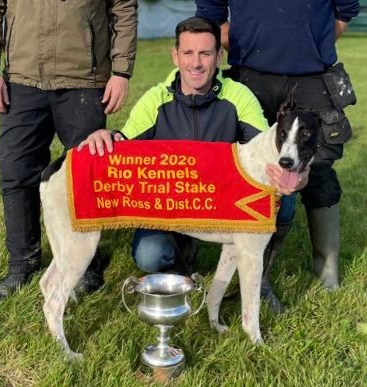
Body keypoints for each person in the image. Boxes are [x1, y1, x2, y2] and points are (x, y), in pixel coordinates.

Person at [79, 16, 306, 302]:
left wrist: (297, 176)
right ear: (175, 55)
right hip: (168, 208)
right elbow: (124, 147)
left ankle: (260, 279)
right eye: (188, 53)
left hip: (220, 203)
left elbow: (269, 150)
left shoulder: (239, 96)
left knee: (283, 200)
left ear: (219, 56)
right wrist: (105, 135)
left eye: (205, 53)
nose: (196, 63)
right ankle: (180, 266)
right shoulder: (155, 100)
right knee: (149, 255)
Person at [196, 0, 360, 311]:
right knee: (245, 171)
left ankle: (327, 273)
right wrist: (248, 41)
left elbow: (346, 10)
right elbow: (211, 12)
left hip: (311, 76)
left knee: (319, 169)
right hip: (251, 76)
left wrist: (310, 44)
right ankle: (257, 278)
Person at [0, 1, 138, 299]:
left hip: (85, 80)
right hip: (22, 79)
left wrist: (121, 71)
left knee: (84, 177)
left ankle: (86, 262)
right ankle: (22, 263)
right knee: (15, 171)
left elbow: (124, 7)